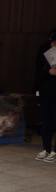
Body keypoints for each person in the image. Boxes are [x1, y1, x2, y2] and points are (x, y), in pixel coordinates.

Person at [34, 28, 56, 163]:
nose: (53, 46)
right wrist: (49, 72)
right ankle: (46, 149)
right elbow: (38, 76)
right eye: (52, 44)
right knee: (46, 122)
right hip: (45, 94)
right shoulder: (45, 56)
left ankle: (54, 151)